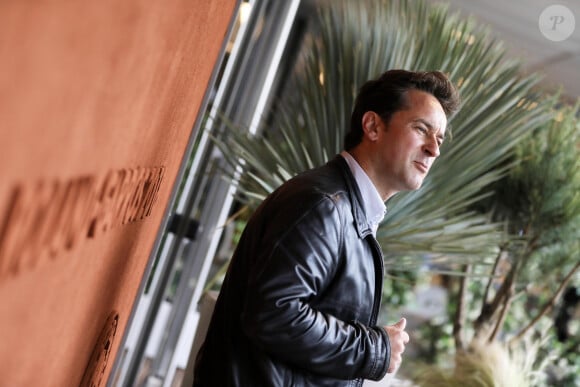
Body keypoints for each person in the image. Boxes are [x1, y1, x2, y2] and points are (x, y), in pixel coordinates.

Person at [193, 69, 460, 386]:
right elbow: (275, 314)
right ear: (373, 126)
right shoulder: (323, 206)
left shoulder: (346, 210)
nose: (434, 149)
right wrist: (375, 349)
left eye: (439, 138)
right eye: (421, 129)